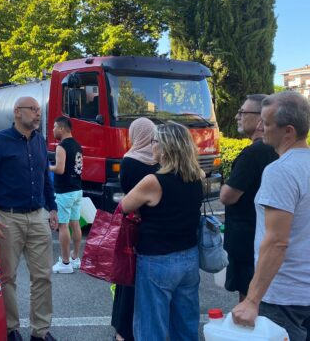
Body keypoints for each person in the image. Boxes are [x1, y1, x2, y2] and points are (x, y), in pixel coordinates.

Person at [0, 97, 58, 341]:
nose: (37, 114)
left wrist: (52, 208)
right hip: (7, 218)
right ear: (17, 112)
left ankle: (40, 331)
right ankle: (10, 328)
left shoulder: (40, 141)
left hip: (38, 216)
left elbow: (45, 179)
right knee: (7, 277)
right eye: (33, 110)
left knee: (43, 276)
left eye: (39, 110)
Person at [232, 91, 310, 341]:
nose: (260, 127)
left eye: (266, 123)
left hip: (284, 296)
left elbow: (277, 241)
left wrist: (252, 300)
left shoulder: (280, 171)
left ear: (288, 131)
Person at [120, 122, 204, 340]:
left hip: (157, 259)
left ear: (165, 147)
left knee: (151, 327)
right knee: (185, 326)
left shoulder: (153, 181)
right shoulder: (197, 177)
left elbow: (124, 206)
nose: (152, 146)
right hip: (189, 257)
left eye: (154, 142)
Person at [220, 95, 278, 302]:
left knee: (248, 298)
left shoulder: (252, 153)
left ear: (261, 119)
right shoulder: (280, 150)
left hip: (247, 239)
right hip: (268, 236)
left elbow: (228, 196)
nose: (237, 116)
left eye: (243, 112)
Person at [111, 118, 158, 341]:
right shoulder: (161, 160)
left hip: (132, 227)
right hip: (155, 228)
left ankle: (123, 331)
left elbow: (127, 197)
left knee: (128, 279)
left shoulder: (130, 160)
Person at [49, 116, 83, 274]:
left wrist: (47, 167)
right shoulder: (77, 144)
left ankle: (65, 262)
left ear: (62, 128)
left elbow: (60, 169)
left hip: (64, 191)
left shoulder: (61, 146)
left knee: (63, 226)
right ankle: (75, 257)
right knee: (75, 223)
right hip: (77, 189)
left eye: (55, 127)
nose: (53, 130)